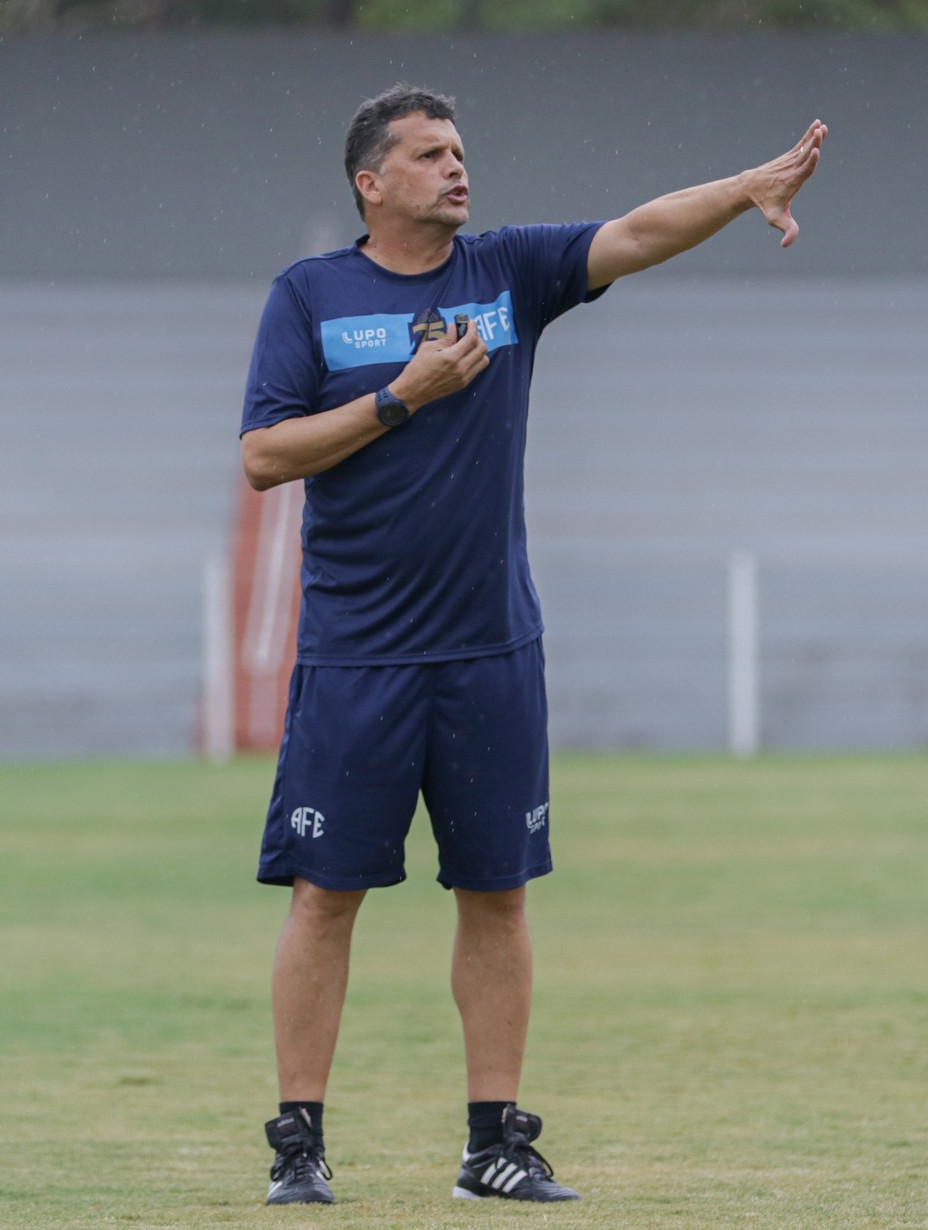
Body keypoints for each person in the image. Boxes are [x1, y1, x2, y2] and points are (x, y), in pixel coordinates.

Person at [239, 83, 827, 1206]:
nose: (458, 168)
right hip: (357, 658)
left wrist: (746, 186)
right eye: (430, 155)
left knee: (498, 893)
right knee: (325, 897)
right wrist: (400, 398)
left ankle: (492, 1144)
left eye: (460, 150)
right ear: (372, 181)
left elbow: (640, 231)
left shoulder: (505, 272)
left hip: (492, 651)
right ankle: (299, 1143)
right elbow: (265, 457)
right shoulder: (310, 295)